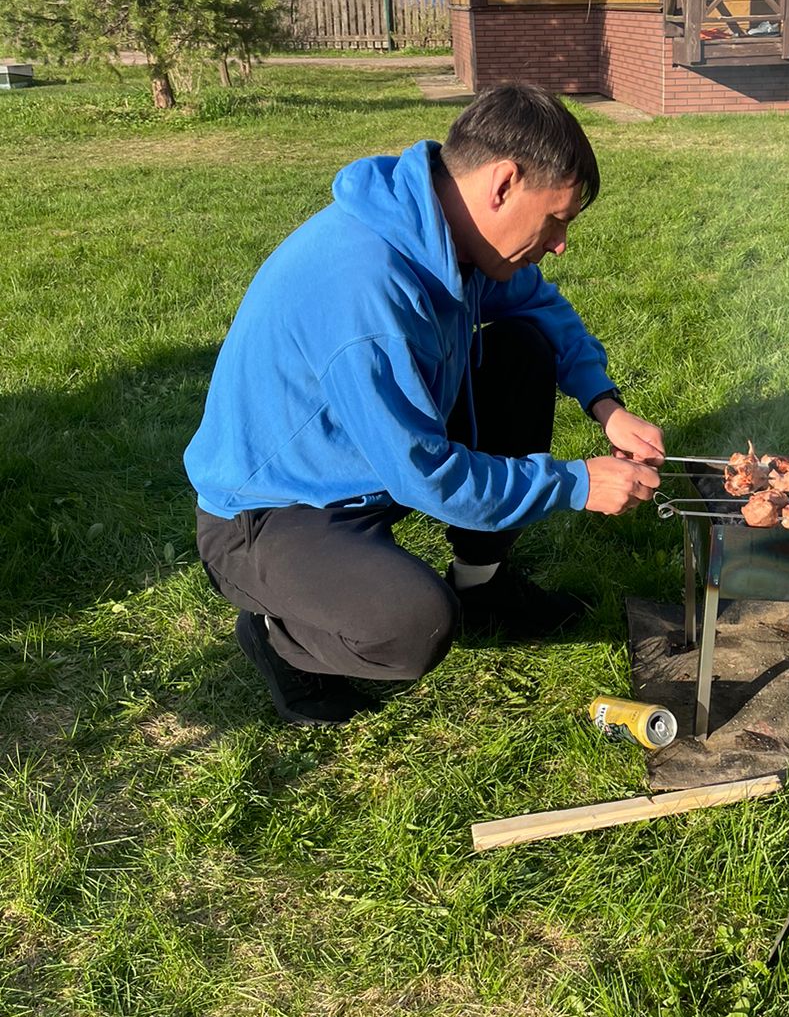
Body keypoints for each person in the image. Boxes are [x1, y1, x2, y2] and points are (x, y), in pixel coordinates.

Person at [184, 83, 664, 728]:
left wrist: (605, 404)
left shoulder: (447, 238)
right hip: (273, 511)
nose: (559, 244)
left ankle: (484, 582)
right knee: (414, 625)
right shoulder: (367, 288)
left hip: (369, 472)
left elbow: (537, 306)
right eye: (556, 219)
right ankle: (278, 638)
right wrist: (576, 482)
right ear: (503, 184)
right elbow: (429, 476)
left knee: (522, 346)